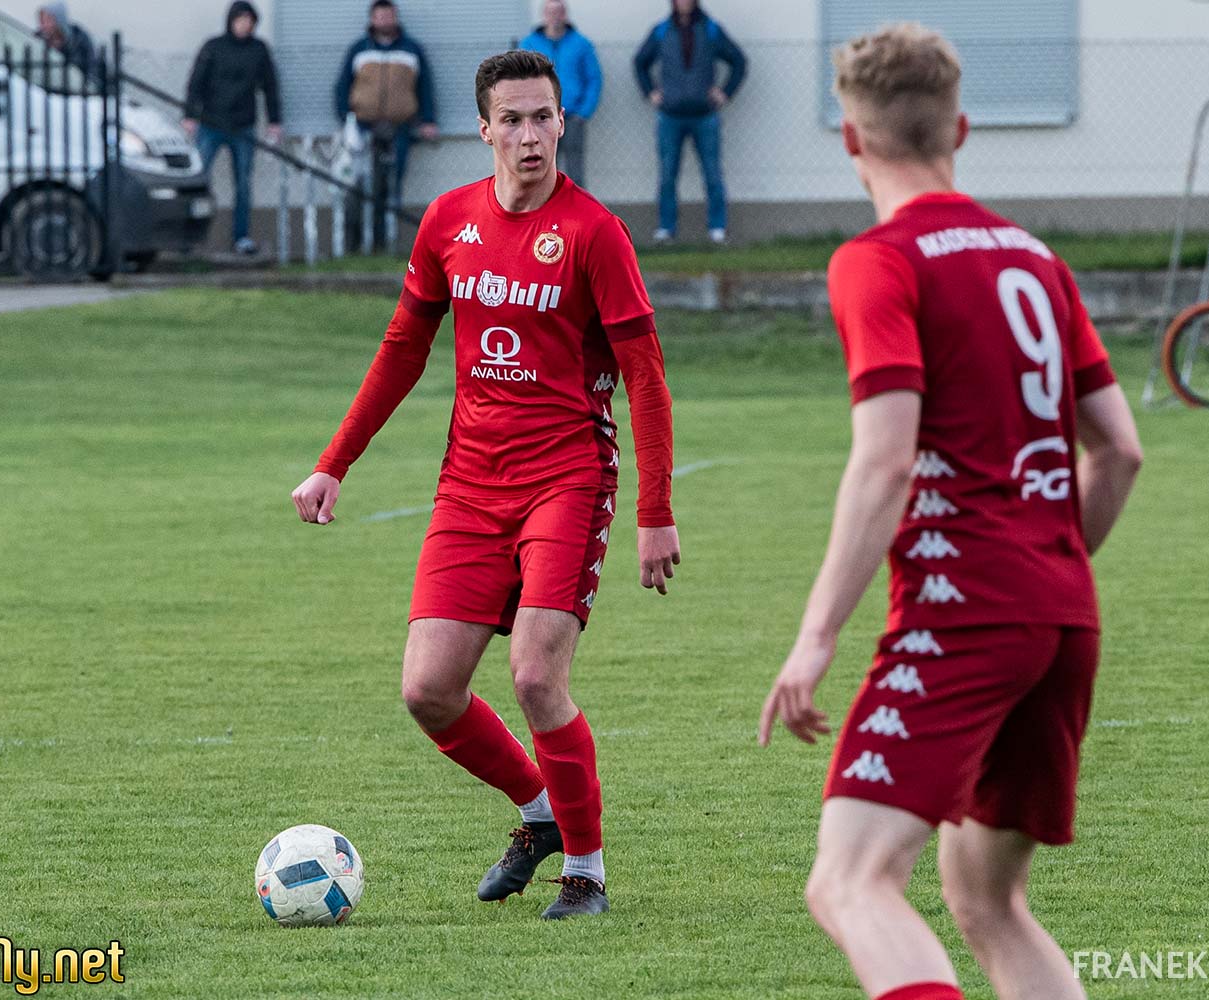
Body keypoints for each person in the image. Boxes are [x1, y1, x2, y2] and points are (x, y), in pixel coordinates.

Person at [758, 23, 1142, 1000]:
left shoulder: (880, 260)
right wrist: (1047, 571)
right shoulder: (1035, 257)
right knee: (986, 901)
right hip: (1063, 614)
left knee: (850, 881)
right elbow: (1120, 450)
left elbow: (886, 457)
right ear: (960, 129)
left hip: (964, 615)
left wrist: (814, 638)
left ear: (852, 140)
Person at [293, 50, 680, 920]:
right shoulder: (448, 221)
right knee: (428, 690)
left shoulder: (594, 234)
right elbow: (402, 349)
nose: (530, 135)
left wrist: (655, 512)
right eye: (513, 120)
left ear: (562, 123)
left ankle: (585, 872)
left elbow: (646, 377)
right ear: (484, 130)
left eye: (543, 117)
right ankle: (539, 813)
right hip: (470, 485)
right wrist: (333, 462)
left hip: (567, 478)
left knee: (536, 676)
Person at [633, 0, 745, 245]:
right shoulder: (662, 31)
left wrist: (725, 92)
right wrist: (650, 92)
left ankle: (717, 228)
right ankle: (666, 229)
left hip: (705, 115)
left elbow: (738, 61)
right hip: (670, 116)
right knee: (667, 174)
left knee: (712, 173)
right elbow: (640, 63)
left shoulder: (711, 29)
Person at [335, 0, 438, 250]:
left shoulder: (411, 50)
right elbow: (343, 85)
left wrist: (428, 120)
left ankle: (383, 240)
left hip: (399, 128)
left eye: (389, 16)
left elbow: (425, 86)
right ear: (372, 19)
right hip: (363, 128)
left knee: (391, 183)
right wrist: (345, 118)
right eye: (380, 16)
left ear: (395, 17)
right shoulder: (359, 49)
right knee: (358, 183)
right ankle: (355, 240)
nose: (384, 21)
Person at [182, 1, 282, 256]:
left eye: (249, 21)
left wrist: (274, 121)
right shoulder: (213, 47)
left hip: (243, 127)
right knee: (198, 180)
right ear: (231, 21)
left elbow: (270, 86)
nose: (244, 25)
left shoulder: (259, 50)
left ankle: (241, 237)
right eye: (240, 20)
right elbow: (196, 82)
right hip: (211, 124)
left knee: (243, 185)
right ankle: (188, 237)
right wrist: (190, 115)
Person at [519, 0, 602, 188]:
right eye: (550, 12)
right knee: (542, 170)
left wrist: (584, 112)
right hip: (540, 119)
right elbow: (519, 80)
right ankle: (545, 207)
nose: (555, 16)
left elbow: (594, 79)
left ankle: (577, 207)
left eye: (559, 12)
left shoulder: (581, 44)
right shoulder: (529, 44)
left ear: (565, 15)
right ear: (544, 15)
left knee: (575, 172)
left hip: (572, 118)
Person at [35, 2, 103, 88]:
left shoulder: (80, 39)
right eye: (42, 21)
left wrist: (87, 87)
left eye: (48, 20)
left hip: (77, 89)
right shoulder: (38, 40)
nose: (44, 25)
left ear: (59, 20)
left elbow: (91, 67)